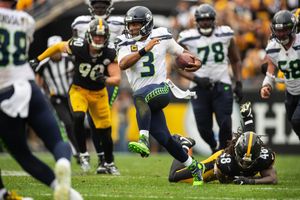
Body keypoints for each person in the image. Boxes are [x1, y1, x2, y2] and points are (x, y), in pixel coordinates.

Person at [0, 0, 83, 199]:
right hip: (29, 85)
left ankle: (57, 186)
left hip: (4, 90)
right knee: (58, 140)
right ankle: (63, 165)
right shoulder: (26, 20)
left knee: (23, 154)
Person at [115, 6, 205, 186]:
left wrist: (197, 60)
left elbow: (182, 53)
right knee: (165, 138)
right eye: (130, 25)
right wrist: (143, 50)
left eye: (136, 25)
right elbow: (123, 64)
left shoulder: (162, 36)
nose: (132, 28)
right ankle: (194, 167)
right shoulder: (123, 41)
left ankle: (143, 139)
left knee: (139, 97)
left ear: (147, 24)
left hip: (161, 89)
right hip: (145, 99)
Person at [30, 18, 121, 175]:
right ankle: (83, 154)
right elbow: (57, 47)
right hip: (79, 90)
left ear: (106, 37)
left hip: (99, 94)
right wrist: (38, 59)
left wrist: (105, 79)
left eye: (101, 36)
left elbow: (117, 78)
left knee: (105, 131)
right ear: (89, 35)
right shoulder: (78, 46)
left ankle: (110, 162)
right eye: (96, 35)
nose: (98, 38)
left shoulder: (109, 52)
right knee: (78, 117)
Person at [176, 4, 243, 153]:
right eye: (202, 19)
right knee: (203, 127)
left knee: (225, 123)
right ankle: (213, 147)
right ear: (196, 21)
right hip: (199, 87)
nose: (205, 22)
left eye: (208, 19)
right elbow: (177, 66)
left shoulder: (225, 34)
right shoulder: (187, 37)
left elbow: (236, 60)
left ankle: (223, 153)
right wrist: (196, 79)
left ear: (214, 20)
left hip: (222, 84)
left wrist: (238, 82)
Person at [71, 0, 124, 174]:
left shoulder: (119, 23)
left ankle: (106, 160)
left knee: (100, 118)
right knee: (90, 118)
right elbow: (75, 47)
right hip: (88, 76)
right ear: (91, 8)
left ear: (109, 8)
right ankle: (103, 159)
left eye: (103, 6)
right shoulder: (80, 23)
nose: (99, 9)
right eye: (97, 6)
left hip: (109, 74)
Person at [169, 102, 278, 185]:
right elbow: (223, 179)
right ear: (236, 152)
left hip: (238, 159)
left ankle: (248, 118)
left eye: (248, 162)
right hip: (216, 165)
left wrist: (250, 181)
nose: (245, 165)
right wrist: (237, 177)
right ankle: (184, 145)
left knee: (250, 141)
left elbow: (273, 178)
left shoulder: (263, 156)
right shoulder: (225, 161)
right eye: (243, 161)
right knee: (174, 177)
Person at [35, 35, 80, 161]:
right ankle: (77, 152)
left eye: (57, 49)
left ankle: (80, 151)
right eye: (52, 49)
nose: (55, 52)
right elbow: (38, 81)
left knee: (77, 122)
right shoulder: (43, 64)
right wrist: (41, 95)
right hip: (56, 98)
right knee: (67, 124)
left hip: (72, 95)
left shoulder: (70, 60)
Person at [260, 10, 300, 140]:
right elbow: (271, 69)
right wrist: (266, 85)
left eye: (285, 30)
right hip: (291, 92)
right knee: (294, 123)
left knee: (297, 120)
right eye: (278, 31)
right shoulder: (273, 48)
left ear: (293, 28)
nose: (281, 34)